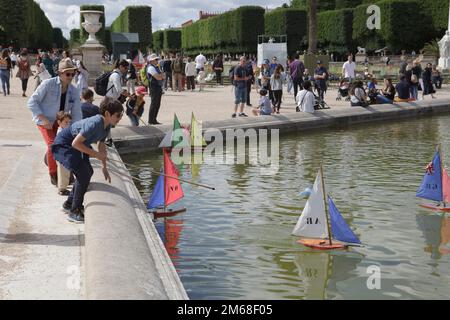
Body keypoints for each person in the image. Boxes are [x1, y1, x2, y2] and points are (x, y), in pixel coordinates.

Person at [52, 99, 124, 223]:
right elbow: (75, 143)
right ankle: (74, 211)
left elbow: (102, 146)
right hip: (65, 144)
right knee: (83, 174)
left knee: (88, 171)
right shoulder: (95, 123)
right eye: (118, 115)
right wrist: (95, 154)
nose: (120, 118)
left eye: (121, 115)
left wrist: (104, 167)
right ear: (107, 114)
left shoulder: (106, 126)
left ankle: (69, 203)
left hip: (77, 145)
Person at [27, 58, 82, 185]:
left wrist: (76, 131)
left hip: (59, 121)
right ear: (60, 73)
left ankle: (62, 169)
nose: (70, 77)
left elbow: (77, 113)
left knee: (63, 143)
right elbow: (31, 102)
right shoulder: (48, 84)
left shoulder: (74, 91)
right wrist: (43, 118)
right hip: (44, 120)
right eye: (67, 74)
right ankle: (54, 174)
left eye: (72, 74)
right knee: (53, 145)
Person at [55, 111, 72, 196]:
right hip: (61, 155)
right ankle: (62, 189)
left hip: (64, 154)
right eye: (66, 122)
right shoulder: (60, 132)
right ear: (59, 122)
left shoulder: (64, 130)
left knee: (65, 172)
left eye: (69, 122)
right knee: (63, 172)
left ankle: (63, 186)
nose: (68, 124)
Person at [147, 54, 165, 124]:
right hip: (153, 87)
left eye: (157, 59)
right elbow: (158, 77)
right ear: (151, 61)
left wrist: (161, 76)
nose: (157, 61)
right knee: (154, 104)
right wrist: (161, 76)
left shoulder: (156, 67)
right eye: (155, 59)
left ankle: (154, 119)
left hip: (158, 87)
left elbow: (163, 76)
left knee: (157, 104)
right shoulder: (151, 68)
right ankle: (151, 120)